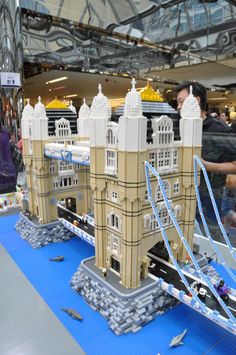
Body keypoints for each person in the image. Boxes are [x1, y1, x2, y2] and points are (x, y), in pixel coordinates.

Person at [175, 81, 236, 237]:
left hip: (210, 199)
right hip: (182, 197)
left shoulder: (219, 130)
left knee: (211, 238)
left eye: (181, 102)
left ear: (196, 101)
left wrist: (207, 165)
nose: (179, 107)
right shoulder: (178, 128)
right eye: (178, 103)